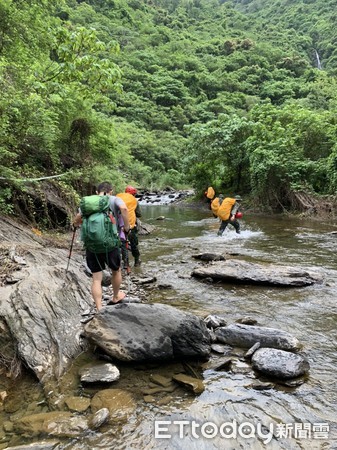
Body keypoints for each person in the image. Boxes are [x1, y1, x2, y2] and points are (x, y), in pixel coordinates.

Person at [73, 181, 130, 311]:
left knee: (96, 278)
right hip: (110, 244)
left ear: (96, 192)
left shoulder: (88, 203)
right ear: (111, 190)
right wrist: (126, 228)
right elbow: (124, 209)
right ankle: (115, 296)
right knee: (116, 271)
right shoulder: (114, 199)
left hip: (92, 245)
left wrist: (75, 225)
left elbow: (77, 220)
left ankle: (99, 308)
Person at [117, 185, 142, 267]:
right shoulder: (134, 200)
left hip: (120, 226)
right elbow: (139, 214)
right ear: (134, 194)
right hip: (131, 226)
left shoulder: (118, 198)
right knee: (134, 244)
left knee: (123, 244)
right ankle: (137, 261)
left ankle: (125, 263)